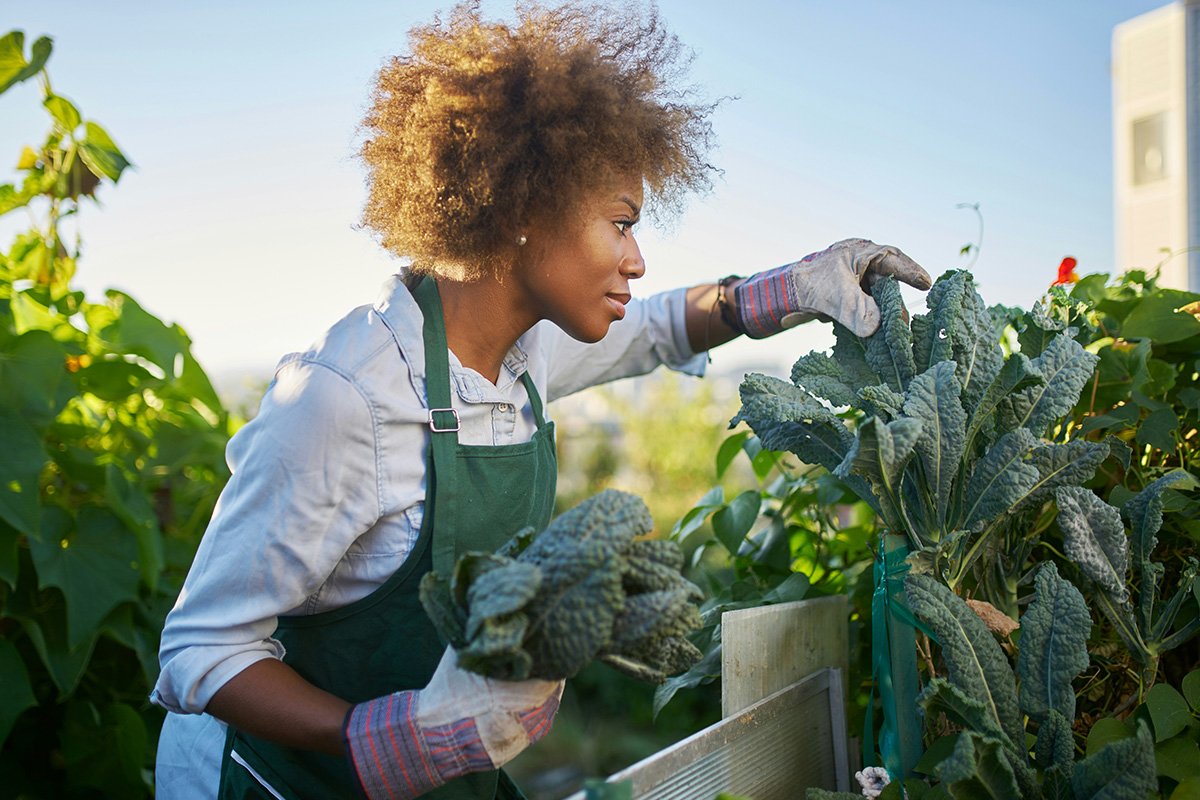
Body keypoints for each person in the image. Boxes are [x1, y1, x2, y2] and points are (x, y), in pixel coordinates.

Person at [151, 3, 932, 799]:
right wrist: (385, 739)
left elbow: (662, 325)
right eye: (622, 222)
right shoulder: (342, 400)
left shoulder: (523, 356)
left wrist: (795, 285)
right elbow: (199, 651)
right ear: (525, 205)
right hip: (277, 779)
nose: (637, 257)